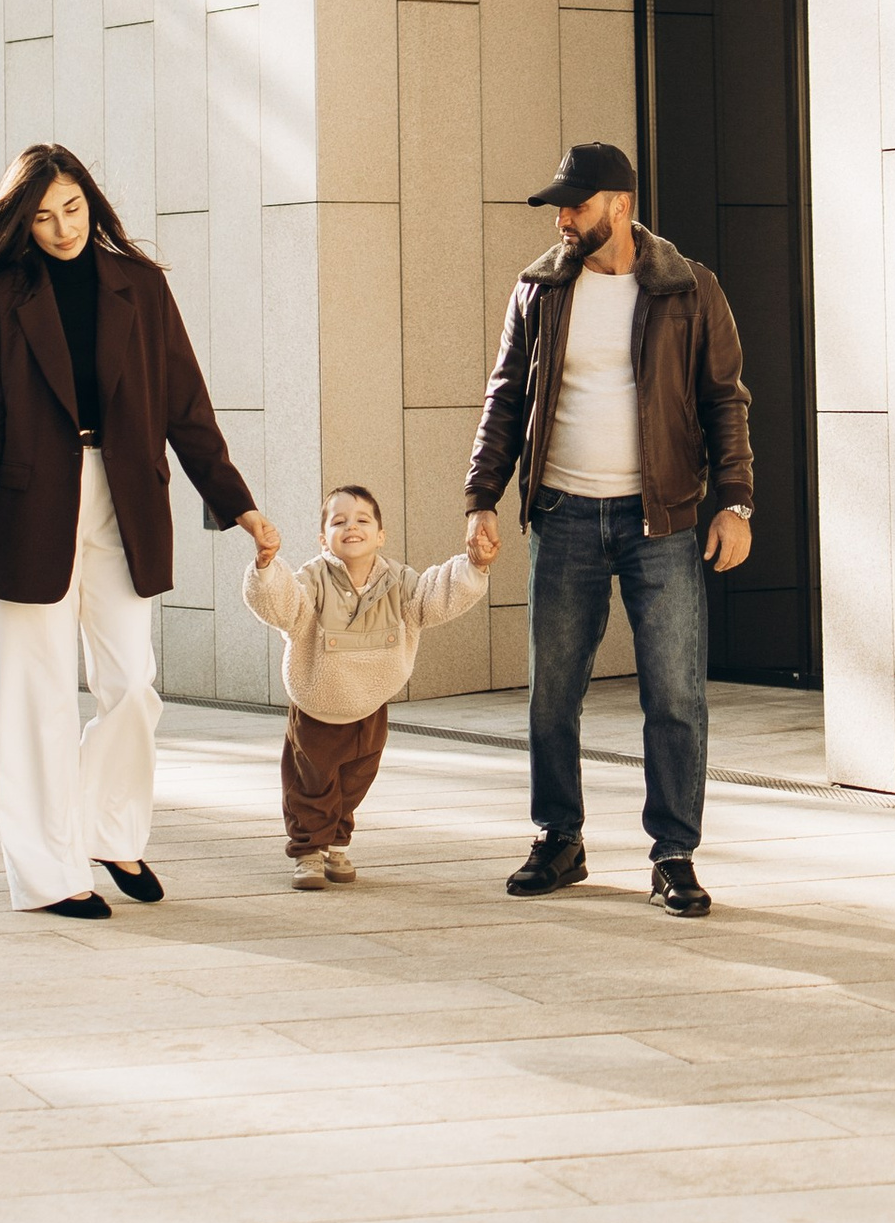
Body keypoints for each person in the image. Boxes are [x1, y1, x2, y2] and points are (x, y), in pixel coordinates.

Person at [0, 145, 280, 918]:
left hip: (124, 498)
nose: (61, 227)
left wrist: (238, 503)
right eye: (42, 217)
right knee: (35, 697)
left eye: (71, 209)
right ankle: (48, 874)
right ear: (23, 223)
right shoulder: (2, 296)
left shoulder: (140, 286)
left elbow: (186, 407)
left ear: (91, 203)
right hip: (29, 504)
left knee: (132, 685)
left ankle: (109, 831)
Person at [466, 138, 753, 918]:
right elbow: (505, 401)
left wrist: (735, 502)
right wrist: (481, 499)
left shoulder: (689, 290)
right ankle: (560, 839)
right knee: (552, 695)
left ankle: (674, 854)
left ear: (620, 205)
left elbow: (726, 400)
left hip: (658, 521)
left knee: (675, 695)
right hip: (562, 514)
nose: (563, 218)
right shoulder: (539, 290)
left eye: (577, 204)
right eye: (560, 206)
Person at [244, 482, 496, 887]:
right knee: (311, 783)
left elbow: (438, 593)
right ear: (323, 537)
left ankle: (337, 844)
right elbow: (282, 604)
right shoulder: (311, 580)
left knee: (355, 780)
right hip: (317, 705)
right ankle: (308, 852)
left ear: (380, 534)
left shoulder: (400, 582)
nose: (352, 527)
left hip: (370, 705)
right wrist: (267, 567)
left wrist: (474, 566)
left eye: (363, 519)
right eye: (338, 521)